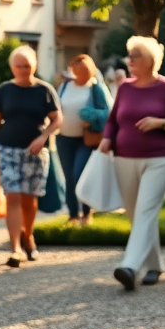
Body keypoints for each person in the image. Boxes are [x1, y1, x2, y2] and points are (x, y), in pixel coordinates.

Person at [100, 37, 165, 291]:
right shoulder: (125, 88)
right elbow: (113, 120)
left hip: (159, 159)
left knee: (146, 211)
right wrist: (107, 138)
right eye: (129, 55)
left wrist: (160, 122)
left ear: (150, 60)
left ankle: (129, 266)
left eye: (135, 55)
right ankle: (154, 266)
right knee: (136, 215)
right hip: (124, 158)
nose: (129, 60)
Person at [0, 45, 61, 267]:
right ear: (12, 67)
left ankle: (29, 237)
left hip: (35, 153)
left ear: (34, 66)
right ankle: (15, 248)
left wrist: (44, 136)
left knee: (29, 199)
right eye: (18, 66)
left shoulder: (44, 90)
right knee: (13, 196)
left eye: (26, 65)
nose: (22, 70)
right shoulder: (4, 90)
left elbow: (57, 119)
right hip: (8, 149)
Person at [57, 54, 112, 226]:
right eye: (79, 72)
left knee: (79, 174)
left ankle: (87, 212)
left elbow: (108, 111)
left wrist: (92, 118)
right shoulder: (65, 87)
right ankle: (73, 215)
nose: (83, 75)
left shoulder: (96, 88)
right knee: (69, 177)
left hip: (86, 140)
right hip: (64, 139)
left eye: (86, 72)